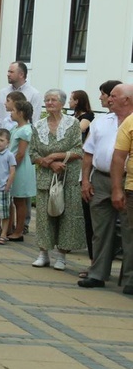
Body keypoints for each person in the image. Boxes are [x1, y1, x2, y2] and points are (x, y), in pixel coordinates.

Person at [81, 84, 133, 289]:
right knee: (101, 230)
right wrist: (85, 180)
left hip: (127, 181)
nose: (108, 99)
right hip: (101, 179)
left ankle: (129, 279)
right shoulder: (101, 122)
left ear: (126, 100)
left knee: (129, 231)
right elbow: (88, 153)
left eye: (113, 96)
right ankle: (97, 273)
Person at [29, 89, 84, 270]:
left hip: (67, 177)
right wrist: (49, 163)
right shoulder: (38, 126)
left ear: (62, 103)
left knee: (66, 217)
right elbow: (33, 152)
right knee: (44, 217)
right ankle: (43, 254)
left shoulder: (73, 123)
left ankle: (61, 256)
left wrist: (55, 156)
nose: (50, 103)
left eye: (53, 100)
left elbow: (78, 150)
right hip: (46, 177)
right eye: (47, 100)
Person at [70, 89, 95, 260]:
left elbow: (77, 131)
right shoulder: (73, 116)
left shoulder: (88, 116)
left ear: (78, 101)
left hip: (80, 158)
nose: (69, 102)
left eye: (71, 99)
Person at [6, 101, 36, 241]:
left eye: (13, 111)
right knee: (11, 198)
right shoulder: (16, 128)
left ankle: (19, 230)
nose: (10, 113)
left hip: (20, 168)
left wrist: (11, 167)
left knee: (19, 200)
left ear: (21, 113)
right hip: (13, 166)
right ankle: (9, 227)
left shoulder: (26, 130)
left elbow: (20, 153)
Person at [0, 61, 42, 130]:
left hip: (21, 136)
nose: (8, 74)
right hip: (1, 137)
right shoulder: (2, 93)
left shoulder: (34, 94)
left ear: (21, 74)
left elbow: (34, 120)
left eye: (11, 72)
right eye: (8, 72)